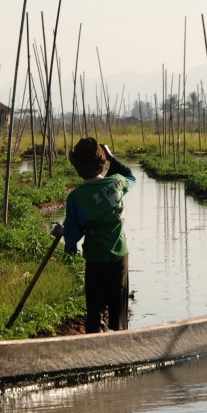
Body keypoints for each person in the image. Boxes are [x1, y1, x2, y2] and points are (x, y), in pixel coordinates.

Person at [59, 137, 135, 333]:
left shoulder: (76, 198)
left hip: (95, 261)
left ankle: (94, 340)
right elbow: (131, 176)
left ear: (78, 168)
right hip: (119, 258)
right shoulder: (117, 183)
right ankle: (119, 341)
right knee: (118, 315)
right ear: (102, 163)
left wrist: (65, 238)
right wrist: (113, 158)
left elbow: (73, 235)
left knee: (95, 312)